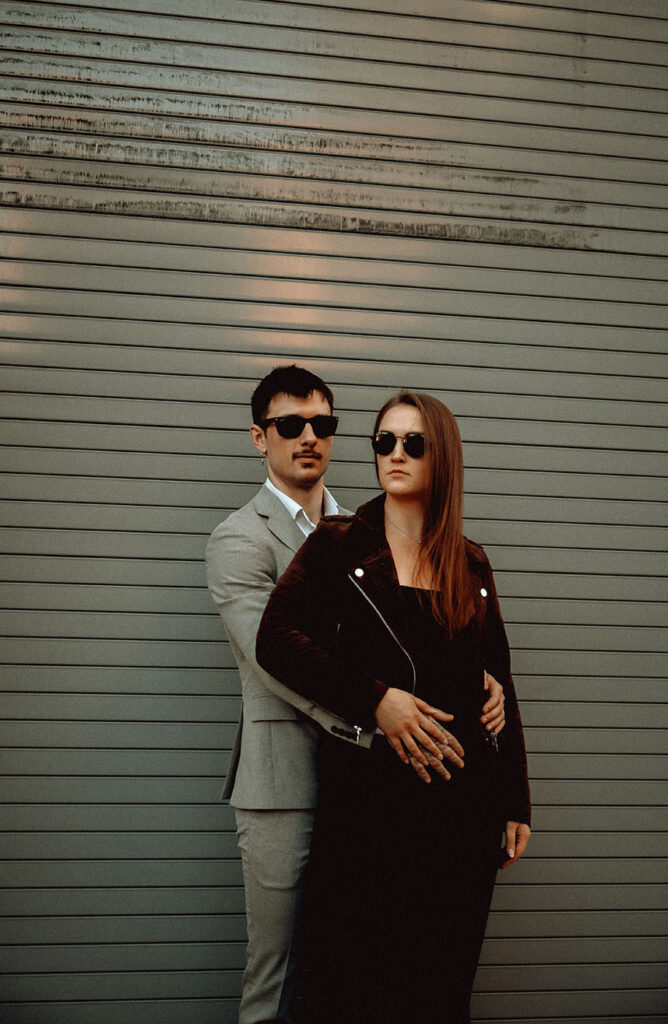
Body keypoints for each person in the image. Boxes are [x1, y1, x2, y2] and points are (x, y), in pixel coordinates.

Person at [206, 368, 507, 1024]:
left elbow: (419, 646)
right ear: (261, 438)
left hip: (370, 790)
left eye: (324, 424)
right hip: (287, 780)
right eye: (291, 426)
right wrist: (376, 709)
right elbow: (275, 660)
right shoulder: (239, 539)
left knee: (351, 970)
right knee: (278, 969)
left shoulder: (369, 529)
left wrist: (469, 677)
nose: (309, 437)